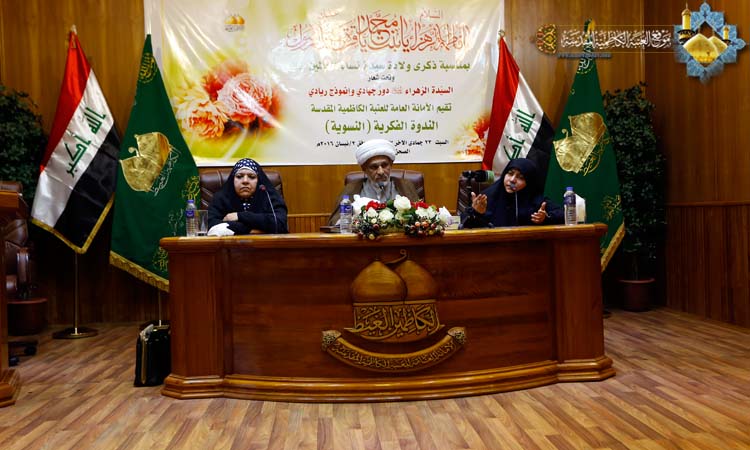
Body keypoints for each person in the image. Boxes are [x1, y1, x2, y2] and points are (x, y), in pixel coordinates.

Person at [327, 139, 420, 226]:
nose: (380, 172)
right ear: (364, 169)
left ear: (391, 164)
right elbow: (336, 223)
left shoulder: (405, 185)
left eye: (384, 165)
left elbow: (420, 218)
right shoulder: (351, 188)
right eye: (374, 167)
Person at [460, 158, 563, 228]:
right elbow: (464, 224)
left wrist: (546, 218)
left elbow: (563, 214)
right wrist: (476, 213)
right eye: (510, 174)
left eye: (520, 177)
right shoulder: (488, 197)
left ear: (529, 183)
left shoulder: (536, 200)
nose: (512, 180)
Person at [207, 158, 288, 235]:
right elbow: (211, 225)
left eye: (251, 177)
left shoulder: (269, 197)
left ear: (259, 181)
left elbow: (280, 224)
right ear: (233, 180)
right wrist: (252, 229)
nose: (245, 181)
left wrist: (239, 216)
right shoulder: (221, 198)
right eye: (239, 176)